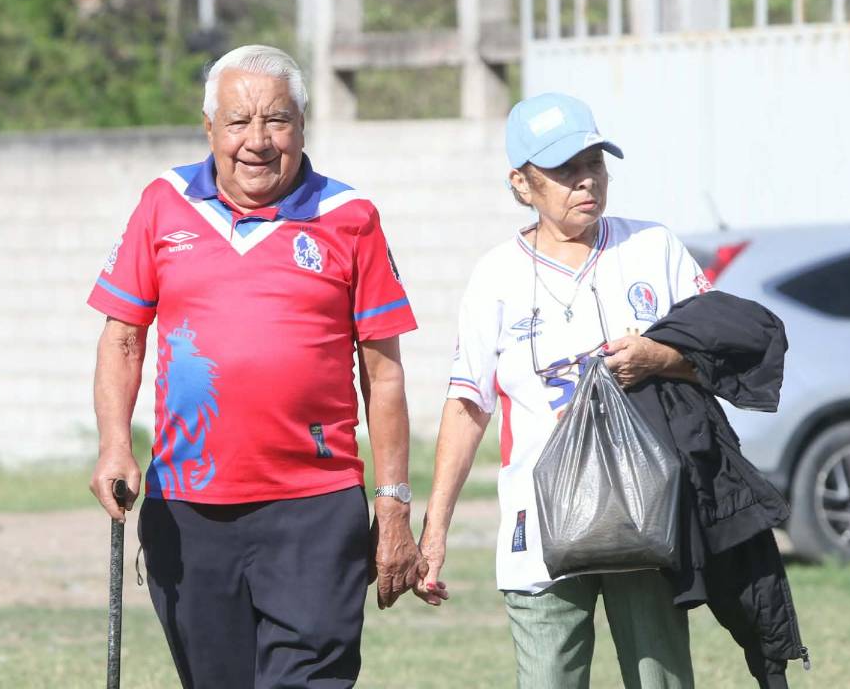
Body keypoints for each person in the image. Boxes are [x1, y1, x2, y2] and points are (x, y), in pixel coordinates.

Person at [87, 44, 424, 689]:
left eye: (277, 121)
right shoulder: (164, 203)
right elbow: (123, 337)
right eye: (239, 122)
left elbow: (384, 374)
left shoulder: (348, 216)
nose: (258, 141)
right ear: (209, 128)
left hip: (315, 509)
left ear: (301, 125)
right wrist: (113, 447)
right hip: (189, 507)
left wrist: (395, 503)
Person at [414, 93, 711, 688]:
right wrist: (436, 529)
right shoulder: (495, 276)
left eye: (595, 163)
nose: (586, 182)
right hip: (537, 531)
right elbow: (468, 404)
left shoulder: (653, 249)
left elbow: (720, 358)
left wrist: (662, 357)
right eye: (564, 170)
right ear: (521, 184)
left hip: (646, 519)